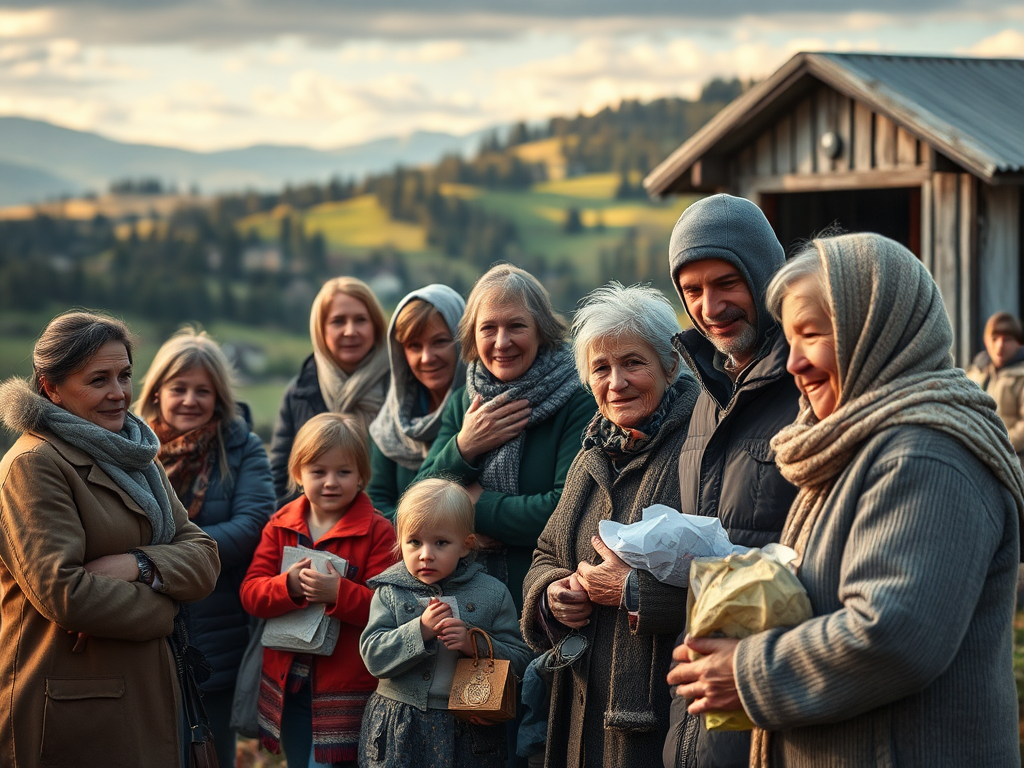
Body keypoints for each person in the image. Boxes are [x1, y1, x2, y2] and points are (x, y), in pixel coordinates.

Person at [668, 233, 1024, 767]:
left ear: (876, 331)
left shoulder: (927, 455)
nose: (794, 364)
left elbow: (896, 635)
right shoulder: (853, 444)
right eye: (789, 340)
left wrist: (747, 671)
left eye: (811, 335)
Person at [0, 311, 220, 768]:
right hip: (72, 708)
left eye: (124, 376)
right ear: (51, 386)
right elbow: (67, 594)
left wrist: (139, 564)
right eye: (98, 380)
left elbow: (203, 556)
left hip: (147, 695)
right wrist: (168, 606)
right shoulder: (33, 465)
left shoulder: (135, 453)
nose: (119, 394)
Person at [521, 283, 701, 768]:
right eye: (601, 368)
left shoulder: (699, 449)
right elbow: (547, 554)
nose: (616, 382)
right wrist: (554, 594)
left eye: (633, 363)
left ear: (670, 364)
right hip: (580, 707)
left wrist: (633, 592)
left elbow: (733, 572)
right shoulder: (592, 453)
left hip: (662, 710)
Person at [663, 194, 801, 768]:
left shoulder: (807, 390)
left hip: (776, 703)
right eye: (692, 291)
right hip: (700, 708)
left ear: (765, 279)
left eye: (727, 283)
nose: (710, 306)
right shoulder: (704, 398)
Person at [415, 264, 595, 611]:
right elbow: (419, 508)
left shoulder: (578, 400)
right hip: (466, 608)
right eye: (488, 328)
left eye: (516, 326)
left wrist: (472, 506)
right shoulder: (466, 402)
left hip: (545, 601)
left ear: (541, 330)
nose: (502, 342)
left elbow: (562, 513)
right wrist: (464, 447)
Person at [137, 326, 276, 768]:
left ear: (220, 397)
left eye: (204, 390)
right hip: (143, 632)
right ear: (157, 391)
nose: (190, 400)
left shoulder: (241, 448)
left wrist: (156, 561)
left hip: (217, 636)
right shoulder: (130, 451)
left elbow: (253, 525)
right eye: (179, 388)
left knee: (210, 755)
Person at [241, 413, 397, 767]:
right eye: (318, 472)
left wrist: (338, 593)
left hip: (347, 687)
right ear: (298, 474)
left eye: (343, 472)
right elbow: (251, 594)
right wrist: (288, 586)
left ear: (362, 476)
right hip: (289, 685)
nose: (330, 482)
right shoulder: (280, 526)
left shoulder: (378, 531)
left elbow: (388, 607)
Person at [358, 478, 533, 768]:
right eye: (414, 541)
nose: (426, 554)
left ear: (465, 545)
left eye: (441, 542)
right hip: (400, 721)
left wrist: (471, 643)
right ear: (400, 540)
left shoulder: (492, 592)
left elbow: (521, 661)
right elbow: (373, 657)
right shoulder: (390, 591)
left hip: (469, 727)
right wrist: (420, 631)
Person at [271, 276, 390, 504]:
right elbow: (280, 477)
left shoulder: (401, 384)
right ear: (321, 330)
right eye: (338, 321)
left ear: (375, 326)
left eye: (360, 320)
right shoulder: (300, 393)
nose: (350, 331)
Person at [368, 285, 466, 518]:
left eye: (440, 341)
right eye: (414, 346)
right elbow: (376, 503)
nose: (427, 357)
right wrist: (418, 537)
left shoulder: (478, 413)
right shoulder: (392, 420)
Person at [967, 311, 1024, 465]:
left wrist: (1001, 445)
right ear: (986, 341)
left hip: (1013, 463)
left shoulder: (1021, 376)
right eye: (994, 339)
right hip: (976, 458)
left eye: (1007, 340)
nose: (1000, 346)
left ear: (1019, 342)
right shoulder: (975, 372)